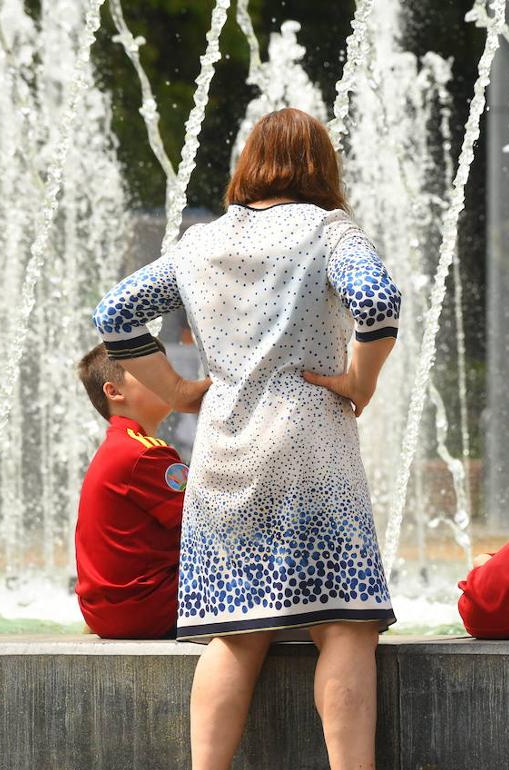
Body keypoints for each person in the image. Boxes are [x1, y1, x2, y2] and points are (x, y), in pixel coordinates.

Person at [91, 107, 400, 770]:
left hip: (224, 452)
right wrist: (359, 381)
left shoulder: (200, 243)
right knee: (345, 626)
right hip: (312, 449)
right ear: (322, 165)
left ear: (248, 164)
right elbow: (376, 303)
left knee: (235, 635)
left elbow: (114, 315)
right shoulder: (327, 231)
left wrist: (176, 392)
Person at [74, 342, 186, 640]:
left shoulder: (119, 447)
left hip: (111, 612)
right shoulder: (145, 455)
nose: (167, 378)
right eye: (150, 372)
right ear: (115, 392)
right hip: (147, 608)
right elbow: (207, 522)